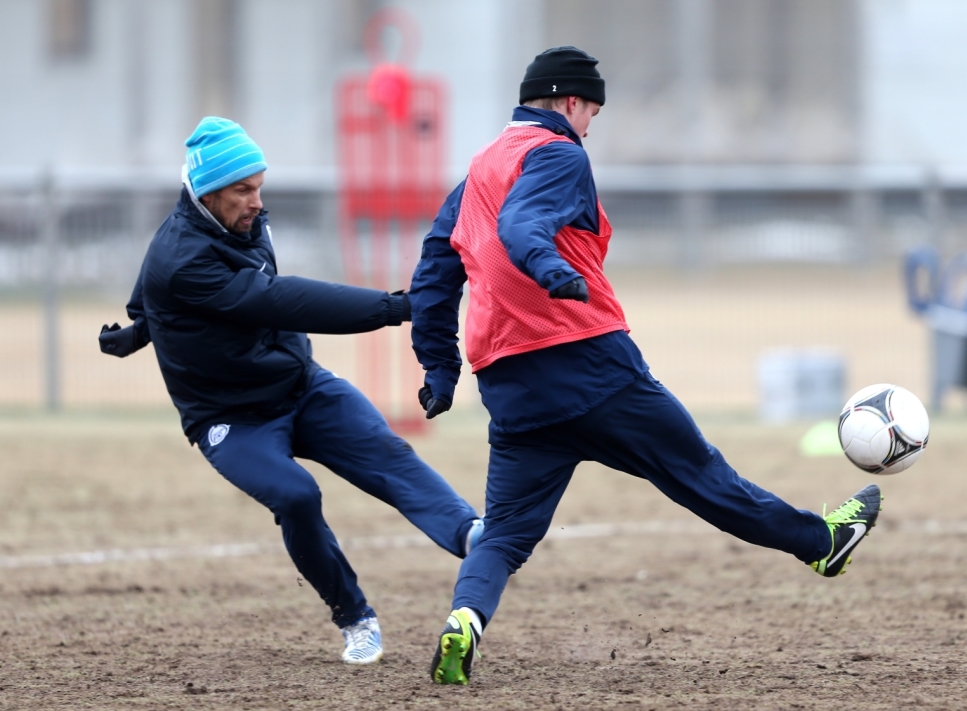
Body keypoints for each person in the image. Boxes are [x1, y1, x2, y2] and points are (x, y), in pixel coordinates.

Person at [409, 47, 883, 686]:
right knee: (702, 475)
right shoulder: (558, 154)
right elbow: (525, 227)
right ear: (571, 102)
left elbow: (435, 271)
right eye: (592, 112)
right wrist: (554, 273)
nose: (590, 127)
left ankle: (464, 619)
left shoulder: (477, 171)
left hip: (511, 387)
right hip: (589, 363)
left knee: (503, 536)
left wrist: (439, 369)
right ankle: (823, 545)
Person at [98, 116, 483, 666]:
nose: (256, 202)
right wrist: (397, 307)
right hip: (229, 418)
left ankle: (471, 535)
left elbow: (148, 301)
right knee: (296, 495)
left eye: (259, 187)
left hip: (300, 386)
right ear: (206, 193)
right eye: (243, 190)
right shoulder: (181, 256)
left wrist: (137, 331)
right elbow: (278, 300)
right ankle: (355, 618)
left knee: (386, 451)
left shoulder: (238, 222)